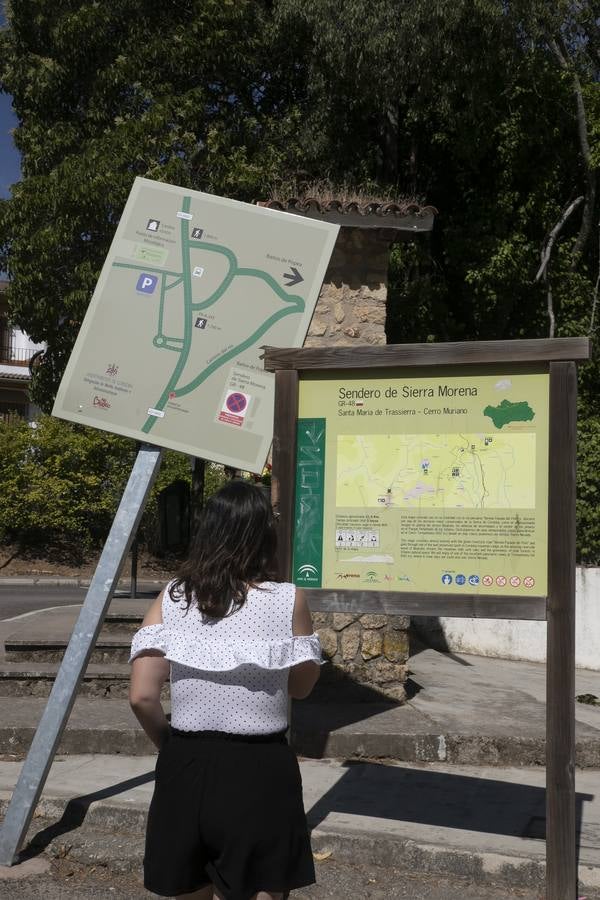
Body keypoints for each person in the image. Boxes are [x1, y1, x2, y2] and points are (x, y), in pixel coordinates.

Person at [129, 479, 322, 900]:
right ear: (264, 535)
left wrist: (173, 747)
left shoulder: (175, 595)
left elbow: (142, 696)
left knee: (188, 888)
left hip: (186, 761)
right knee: (261, 889)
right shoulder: (288, 599)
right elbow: (302, 688)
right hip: (260, 768)